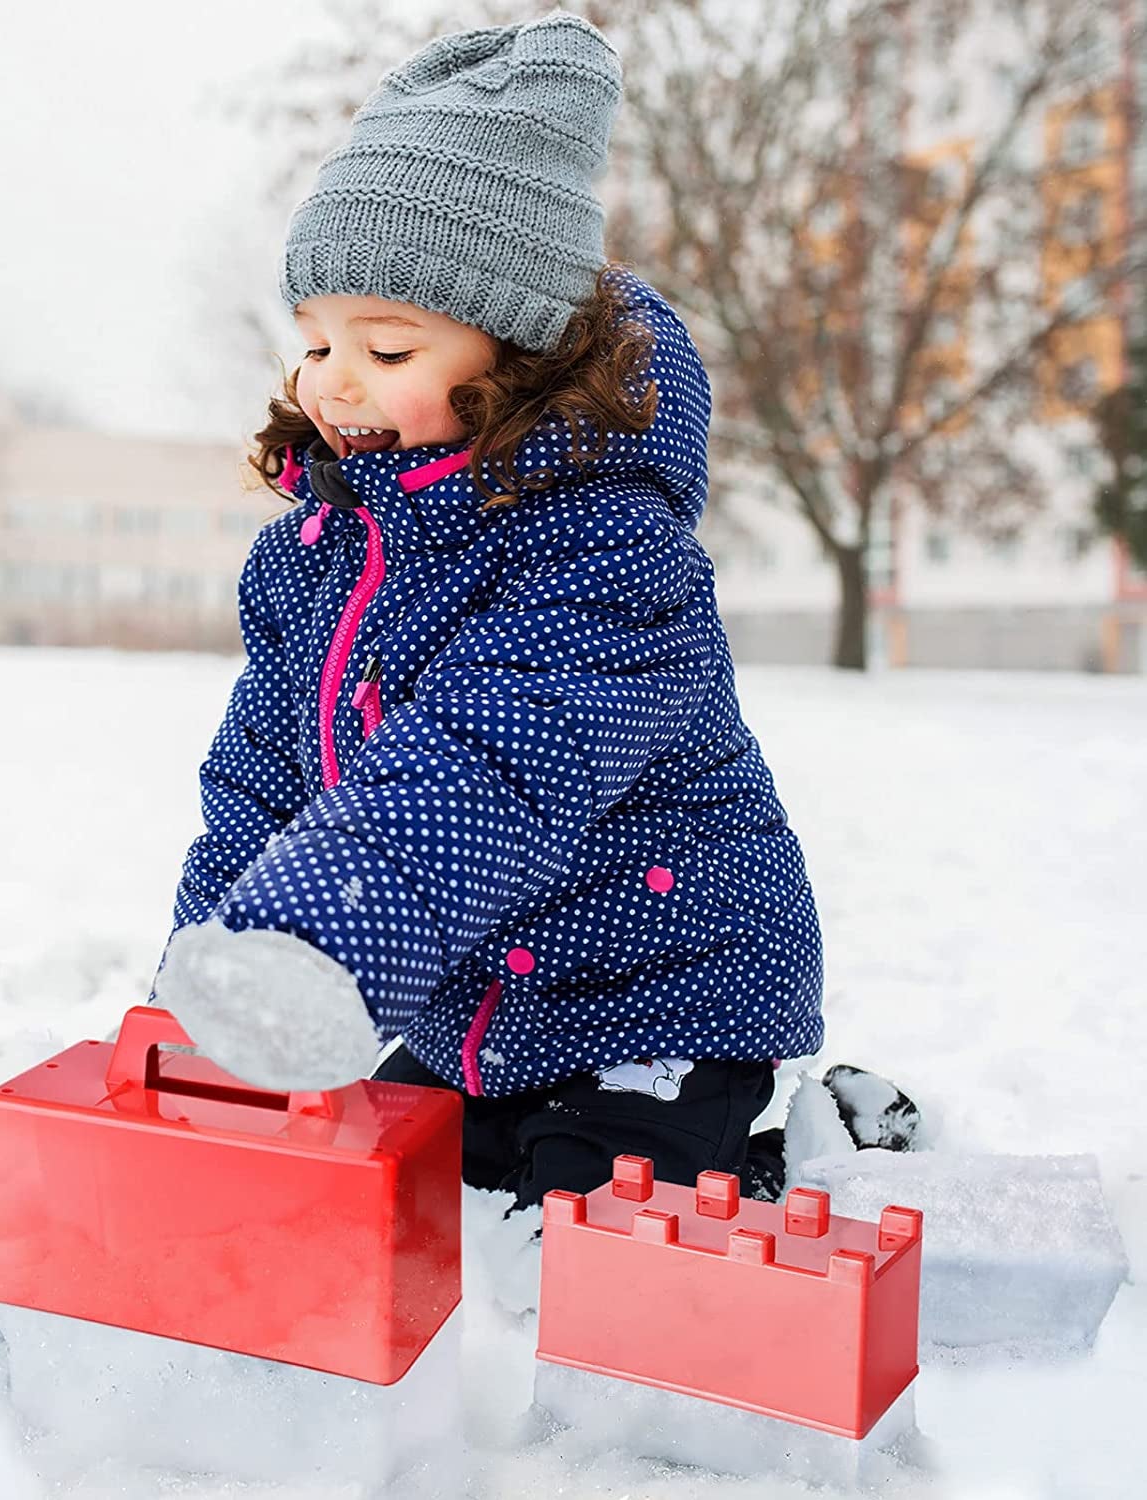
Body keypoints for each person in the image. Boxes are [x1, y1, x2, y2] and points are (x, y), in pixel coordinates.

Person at [153, 13, 914, 1211]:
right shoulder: (319, 555)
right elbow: (261, 779)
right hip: (477, 1010)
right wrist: (211, 976)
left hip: (657, 996)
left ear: (512, 355)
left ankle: (793, 1164)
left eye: (389, 347)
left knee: (582, 1243)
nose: (334, 382)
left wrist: (312, 943)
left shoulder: (606, 551)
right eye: (315, 342)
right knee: (391, 1201)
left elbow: (487, 757)